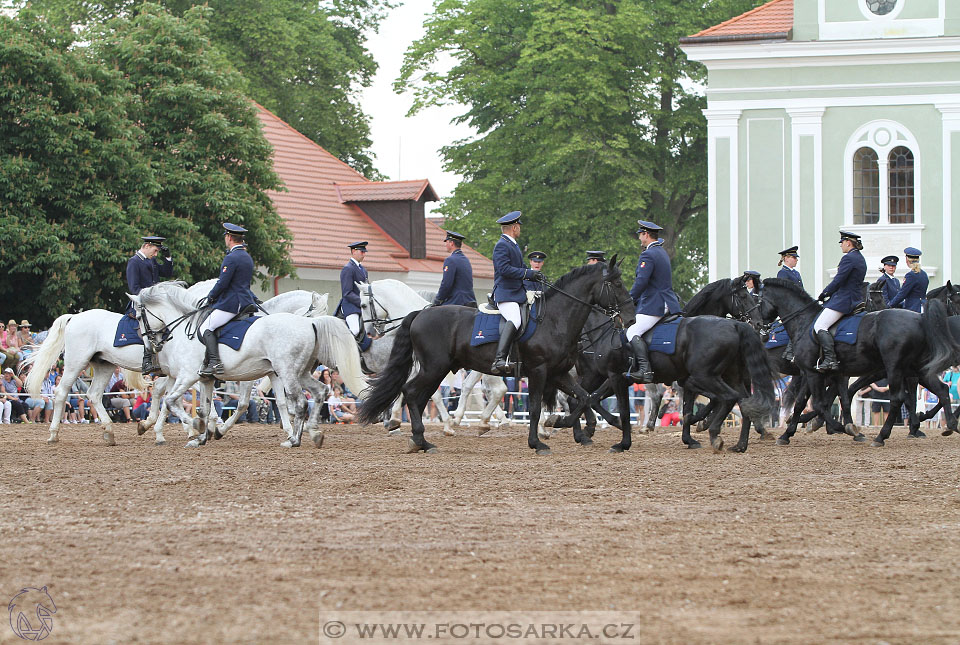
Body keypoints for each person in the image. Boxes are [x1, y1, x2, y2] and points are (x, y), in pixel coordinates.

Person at [623, 220, 681, 383]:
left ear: (646, 235)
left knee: (631, 332)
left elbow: (641, 281)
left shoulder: (648, 254)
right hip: (667, 301)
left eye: (640, 235)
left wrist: (629, 300)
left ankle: (644, 370)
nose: (640, 239)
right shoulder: (661, 252)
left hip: (655, 304)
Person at [198, 223, 257, 376]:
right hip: (244, 299)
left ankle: (215, 362)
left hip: (231, 303)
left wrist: (211, 297)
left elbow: (223, 283)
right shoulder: (246, 256)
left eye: (226, 236)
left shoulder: (231, 258)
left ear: (229, 237)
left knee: (206, 328)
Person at [490, 211, 544, 375]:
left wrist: (535, 276)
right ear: (514, 227)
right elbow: (504, 269)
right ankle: (499, 358)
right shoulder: (502, 245)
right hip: (506, 293)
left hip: (516, 294)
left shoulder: (512, 245)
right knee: (515, 319)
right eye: (519, 226)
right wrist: (528, 273)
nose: (520, 229)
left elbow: (520, 269)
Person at [815, 231, 867, 372]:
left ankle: (830, 359)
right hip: (856, 298)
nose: (841, 246)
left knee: (819, 325)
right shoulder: (860, 258)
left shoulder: (848, 258)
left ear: (848, 242)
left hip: (844, 300)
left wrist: (825, 293)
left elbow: (839, 280)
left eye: (842, 243)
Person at [126, 235, 173, 375]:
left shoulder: (150, 261)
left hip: (154, 303)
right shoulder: (134, 262)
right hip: (140, 302)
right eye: (155, 250)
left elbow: (167, 273)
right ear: (146, 246)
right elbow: (134, 288)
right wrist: (153, 298)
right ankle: (147, 360)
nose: (156, 254)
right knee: (148, 326)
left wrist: (168, 258)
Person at [336, 241, 370, 341]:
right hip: (351, 307)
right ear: (354, 251)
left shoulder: (363, 270)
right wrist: (362, 302)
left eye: (365, 252)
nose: (364, 254)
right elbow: (347, 293)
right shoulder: (348, 269)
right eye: (362, 252)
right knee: (355, 330)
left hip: (363, 306)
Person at [433, 231, 476, 307]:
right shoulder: (466, 259)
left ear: (451, 243)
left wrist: (438, 299)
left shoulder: (450, 260)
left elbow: (446, 284)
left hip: (456, 301)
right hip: (470, 300)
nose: (446, 245)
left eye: (447, 242)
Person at [887, 247, 928, 313]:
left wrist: (890, 305)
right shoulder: (924, 274)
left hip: (913, 308)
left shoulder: (911, 275)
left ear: (907, 260)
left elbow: (902, 293)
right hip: (924, 306)